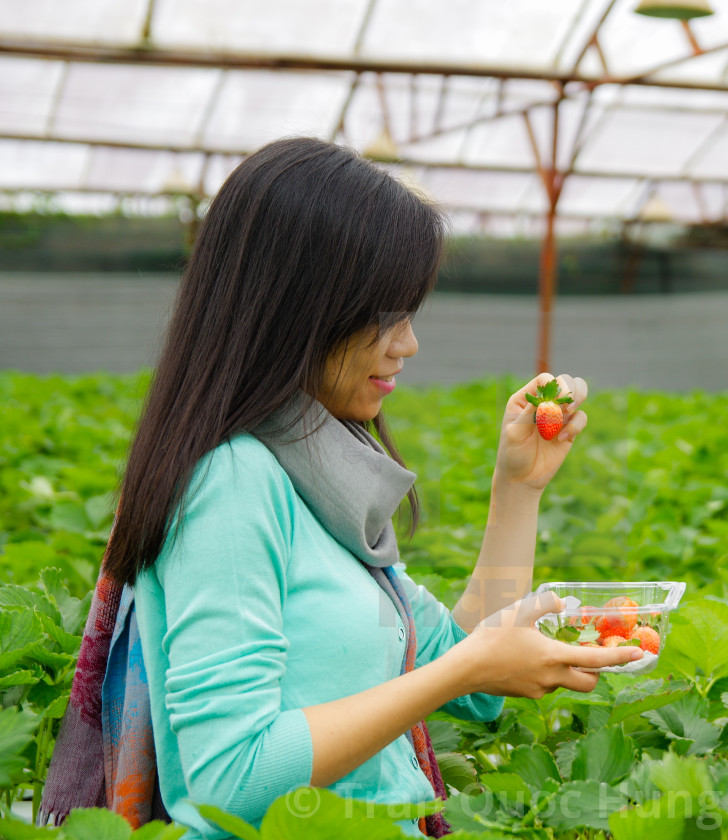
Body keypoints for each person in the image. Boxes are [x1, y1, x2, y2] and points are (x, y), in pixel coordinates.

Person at [54, 137, 642, 839]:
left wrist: (518, 487)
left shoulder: (318, 471)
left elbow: (467, 667)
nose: (407, 344)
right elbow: (228, 781)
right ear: (296, 306)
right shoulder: (234, 481)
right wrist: (458, 675)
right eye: (382, 313)